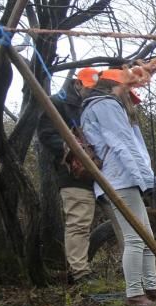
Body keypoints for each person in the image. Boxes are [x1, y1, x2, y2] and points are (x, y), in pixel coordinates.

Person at [80, 69, 156, 306]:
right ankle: (135, 295)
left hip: (121, 179)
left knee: (146, 236)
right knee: (135, 238)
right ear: (118, 88)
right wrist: (148, 182)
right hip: (119, 181)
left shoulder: (98, 107)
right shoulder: (107, 106)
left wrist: (150, 180)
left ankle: (151, 287)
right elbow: (123, 145)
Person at [37, 67, 99, 284]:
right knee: (79, 221)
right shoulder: (58, 102)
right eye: (88, 88)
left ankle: (81, 267)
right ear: (77, 83)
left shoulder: (95, 105)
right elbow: (45, 133)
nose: (90, 92)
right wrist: (70, 151)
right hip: (72, 173)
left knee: (87, 220)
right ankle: (80, 272)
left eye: (94, 89)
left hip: (99, 172)